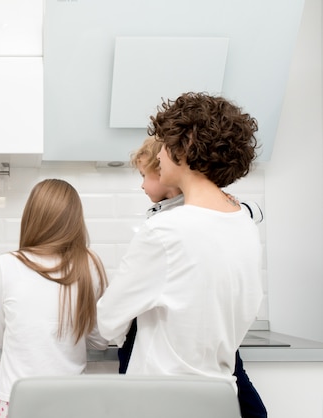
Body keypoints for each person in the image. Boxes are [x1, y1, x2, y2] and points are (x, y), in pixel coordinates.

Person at [97, 92, 264, 392]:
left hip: (162, 400)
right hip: (220, 398)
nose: (159, 155)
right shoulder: (245, 224)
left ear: (184, 148)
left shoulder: (165, 231)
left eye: (164, 144)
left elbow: (108, 319)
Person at [118, 135, 267, 418]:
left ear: (163, 173)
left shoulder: (189, 214)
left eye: (144, 174)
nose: (141, 184)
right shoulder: (163, 217)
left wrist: (233, 207)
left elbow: (252, 212)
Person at [0, 179, 109, 418]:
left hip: (18, 400)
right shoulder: (90, 264)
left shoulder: (5, 265)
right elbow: (100, 341)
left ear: (31, 217)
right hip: (72, 401)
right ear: (76, 220)